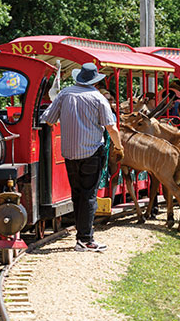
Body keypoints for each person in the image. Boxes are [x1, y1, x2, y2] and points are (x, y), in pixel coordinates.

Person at [41, 63, 124, 252]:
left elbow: (48, 119)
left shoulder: (65, 94)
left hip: (69, 154)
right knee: (89, 195)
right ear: (95, 81)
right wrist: (119, 147)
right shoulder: (98, 98)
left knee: (77, 194)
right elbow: (111, 128)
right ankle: (85, 238)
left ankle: (81, 236)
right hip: (91, 152)